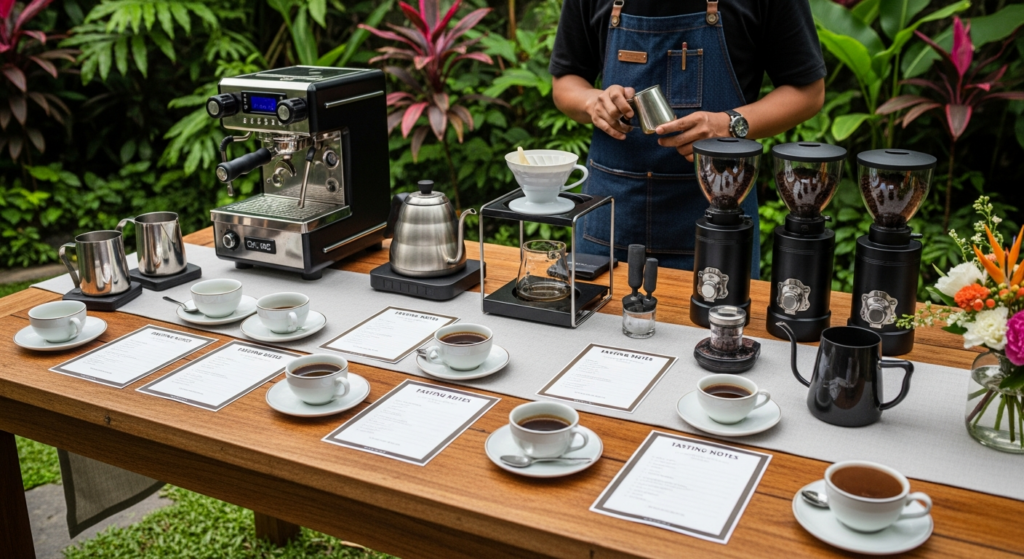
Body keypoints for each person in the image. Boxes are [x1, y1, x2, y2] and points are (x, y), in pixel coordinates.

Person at [550, 0, 826, 274]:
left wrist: (728, 124)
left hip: (719, 219)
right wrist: (593, 102)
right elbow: (565, 82)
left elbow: (808, 93)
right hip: (609, 221)